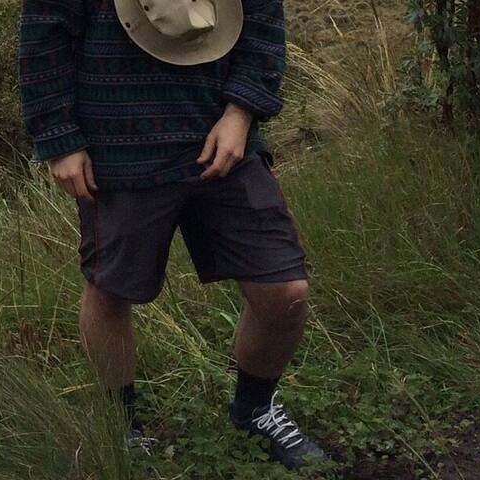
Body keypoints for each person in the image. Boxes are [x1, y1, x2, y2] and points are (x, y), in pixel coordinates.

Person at [17, 0, 329, 469]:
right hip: (117, 147)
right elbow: (44, 31)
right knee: (110, 289)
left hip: (221, 139)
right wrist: (60, 139)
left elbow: (263, 18)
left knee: (284, 290)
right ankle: (120, 429)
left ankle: (255, 410)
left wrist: (241, 112)